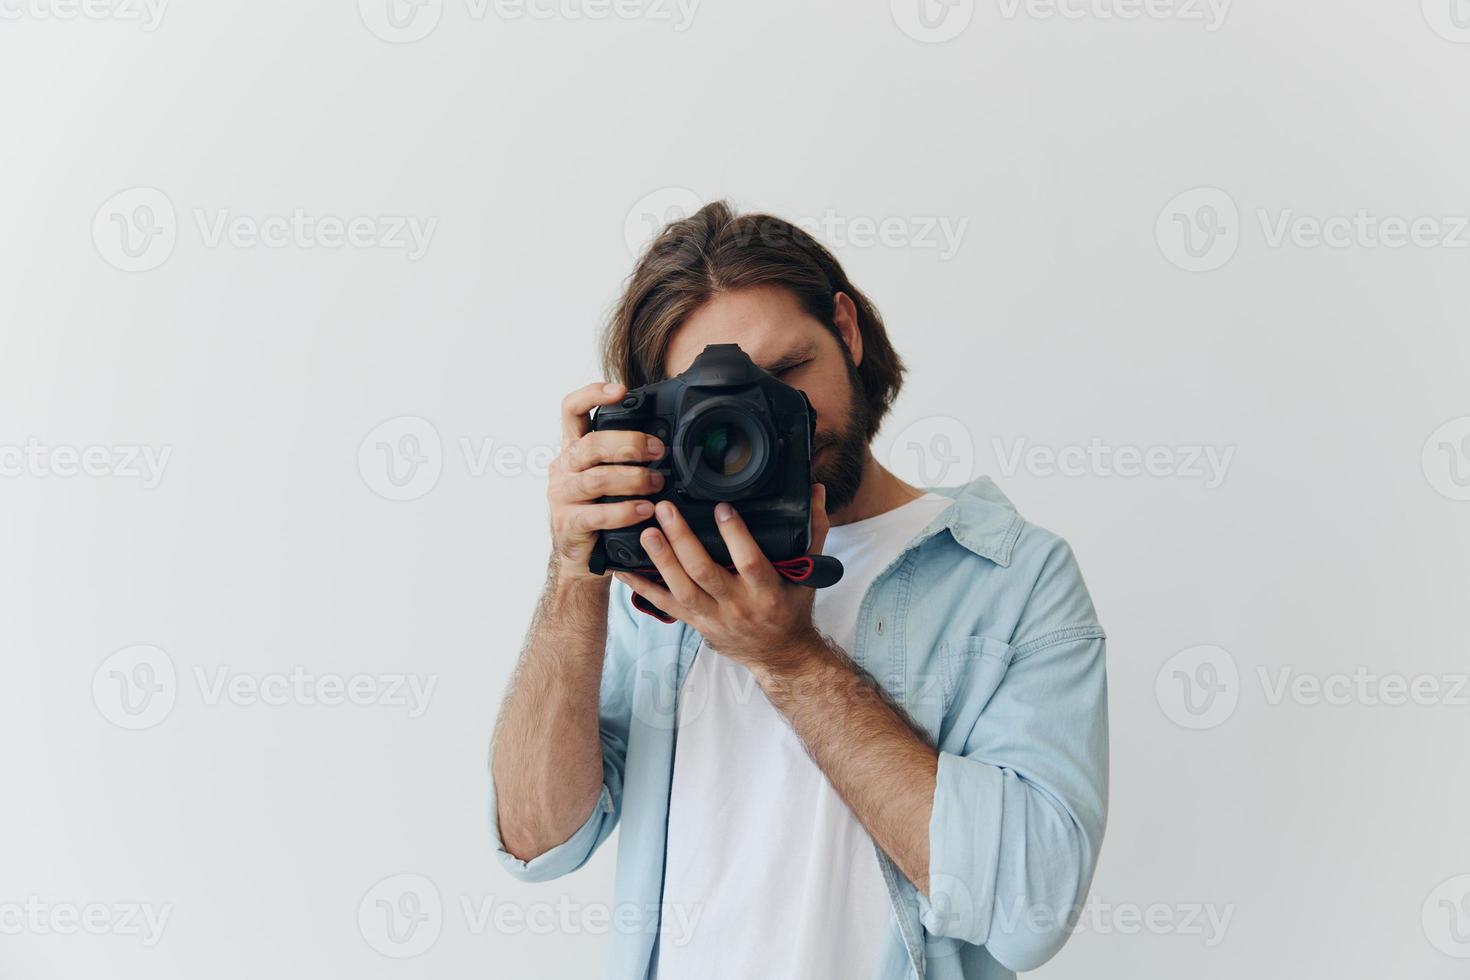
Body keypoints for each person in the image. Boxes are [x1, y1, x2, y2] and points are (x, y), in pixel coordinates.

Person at [489, 201, 1109, 979]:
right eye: (722, 411)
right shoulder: (662, 576)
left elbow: (1030, 911)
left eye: (786, 375)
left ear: (846, 333)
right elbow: (539, 840)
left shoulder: (1012, 578)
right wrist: (573, 569)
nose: (775, 422)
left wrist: (788, 658)